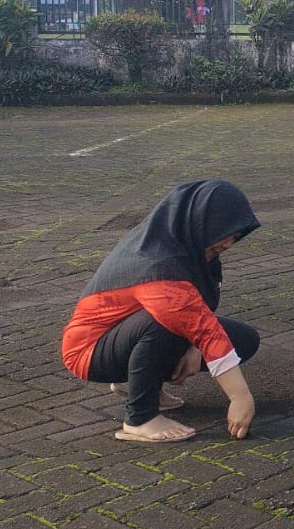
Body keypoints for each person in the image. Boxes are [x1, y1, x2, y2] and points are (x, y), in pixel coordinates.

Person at [61, 179, 263, 443]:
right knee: (166, 322)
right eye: (224, 232)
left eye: (235, 236)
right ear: (200, 221)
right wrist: (240, 397)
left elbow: (199, 315)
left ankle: (139, 385)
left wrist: (194, 345)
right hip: (88, 351)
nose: (228, 243)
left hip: (127, 333)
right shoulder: (158, 265)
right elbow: (195, 322)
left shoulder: (189, 249)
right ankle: (140, 417)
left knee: (244, 340)